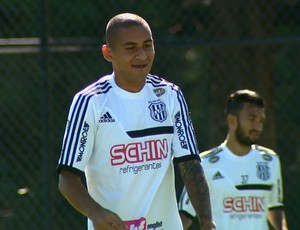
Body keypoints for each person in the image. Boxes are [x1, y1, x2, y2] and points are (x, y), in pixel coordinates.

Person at [57, 13, 215, 230]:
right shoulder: (90, 102)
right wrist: (96, 212)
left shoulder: (169, 95)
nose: (142, 55)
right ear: (108, 53)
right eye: (130, 48)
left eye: (147, 45)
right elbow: (67, 178)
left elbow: (190, 164)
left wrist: (206, 221)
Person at [178, 89, 289, 230]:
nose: (258, 127)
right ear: (232, 120)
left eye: (261, 121)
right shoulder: (204, 163)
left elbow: (275, 208)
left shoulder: (270, 161)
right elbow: (185, 215)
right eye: (252, 119)